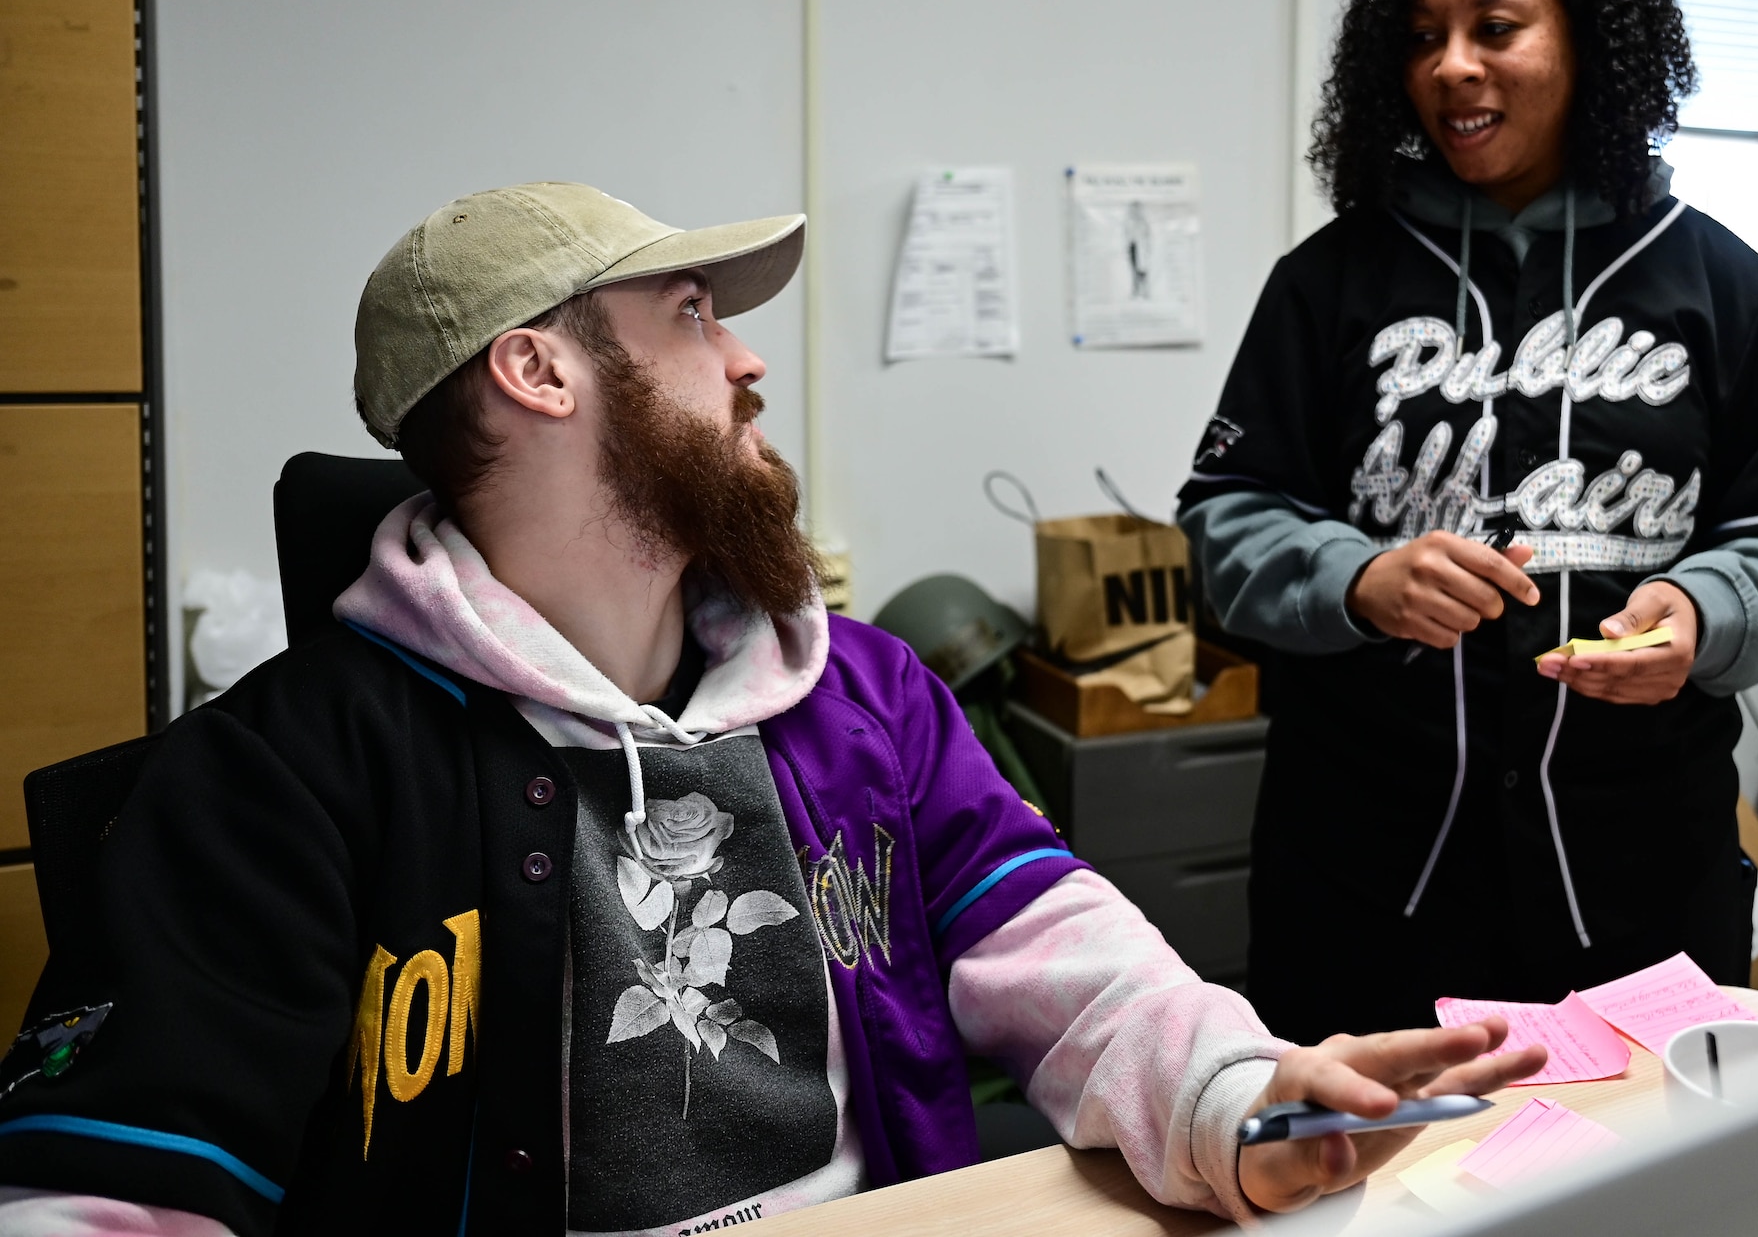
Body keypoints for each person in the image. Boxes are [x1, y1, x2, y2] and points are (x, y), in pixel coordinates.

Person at [0, 183, 1541, 1234]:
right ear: (539, 368)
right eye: (686, 314)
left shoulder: (864, 694)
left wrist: (1245, 1093)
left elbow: (1085, 978)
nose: (744, 359)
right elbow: (108, 1191)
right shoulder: (281, 775)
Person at [1179, 0, 1758, 1044]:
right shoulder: (1326, 282)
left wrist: (1698, 613)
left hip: (1640, 886)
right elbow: (1225, 517)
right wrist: (1353, 577)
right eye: (1421, 38)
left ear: (1587, 40)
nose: (1449, 67)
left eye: (1493, 29)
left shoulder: (1726, 290)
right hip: (1364, 887)